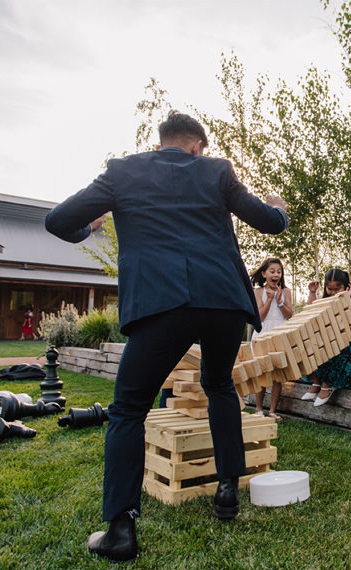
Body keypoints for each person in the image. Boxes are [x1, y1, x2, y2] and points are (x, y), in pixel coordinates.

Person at [45, 111, 289, 562]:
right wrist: (279, 207)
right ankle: (227, 491)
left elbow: (58, 221)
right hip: (222, 303)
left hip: (161, 303)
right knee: (219, 386)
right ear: (198, 144)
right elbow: (270, 224)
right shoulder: (218, 170)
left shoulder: (122, 171)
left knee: (128, 409)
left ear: (161, 143)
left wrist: (90, 226)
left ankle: (121, 528)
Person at [302, 268, 351, 406]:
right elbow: (311, 313)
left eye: (338, 288)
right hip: (329, 336)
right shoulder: (327, 298)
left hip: (348, 339)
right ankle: (317, 381)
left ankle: (328, 384)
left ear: (346, 286)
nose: (333, 292)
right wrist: (312, 293)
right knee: (309, 344)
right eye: (330, 289)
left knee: (334, 347)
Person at [250, 257, 293, 420]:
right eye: (272, 271)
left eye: (279, 272)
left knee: (277, 375)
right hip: (262, 334)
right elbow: (259, 317)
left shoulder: (286, 292)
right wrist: (269, 299)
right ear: (264, 273)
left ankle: (273, 411)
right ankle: (259, 409)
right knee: (262, 372)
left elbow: (289, 315)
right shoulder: (258, 292)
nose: (276, 274)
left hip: (280, 333)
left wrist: (280, 301)